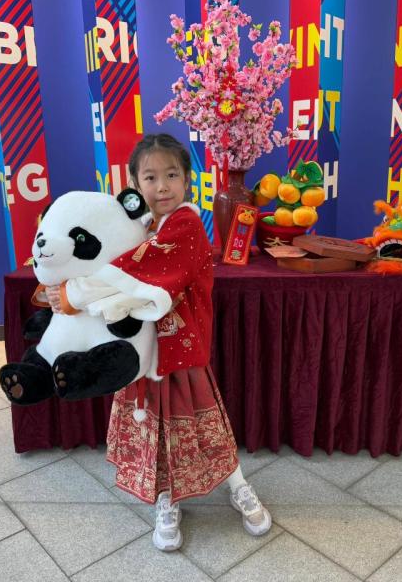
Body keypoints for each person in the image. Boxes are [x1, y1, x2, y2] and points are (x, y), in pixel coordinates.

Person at [44, 133, 271, 551]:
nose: (162, 186)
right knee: (155, 432)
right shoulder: (139, 227)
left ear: (187, 180)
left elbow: (135, 271)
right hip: (143, 351)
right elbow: (103, 258)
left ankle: (239, 486)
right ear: (134, 182)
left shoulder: (185, 226)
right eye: (150, 177)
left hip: (180, 351)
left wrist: (74, 293)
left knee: (206, 428)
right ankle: (167, 499)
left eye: (171, 175)